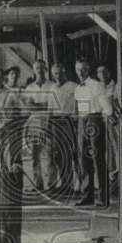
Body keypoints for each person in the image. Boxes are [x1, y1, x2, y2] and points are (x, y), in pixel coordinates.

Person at [73, 59, 113, 207]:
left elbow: (108, 108)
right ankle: (87, 196)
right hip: (82, 122)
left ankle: (103, 197)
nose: (80, 73)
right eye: (78, 69)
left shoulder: (96, 85)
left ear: (88, 69)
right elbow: (80, 108)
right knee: (84, 160)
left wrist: (102, 120)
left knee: (97, 160)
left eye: (83, 69)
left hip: (94, 120)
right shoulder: (78, 88)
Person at [97, 62, 122, 197]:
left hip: (116, 121)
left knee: (121, 151)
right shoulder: (98, 88)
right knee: (109, 154)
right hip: (103, 122)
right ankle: (114, 186)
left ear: (110, 73)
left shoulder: (117, 86)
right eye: (99, 72)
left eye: (104, 71)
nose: (102, 75)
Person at [48, 63, 78, 198]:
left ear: (64, 73)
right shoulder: (52, 88)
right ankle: (65, 184)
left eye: (60, 73)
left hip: (68, 121)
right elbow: (50, 108)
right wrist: (49, 126)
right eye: (55, 74)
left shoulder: (73, 86)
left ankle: (76, 185)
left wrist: (76, 118)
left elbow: (80, 104)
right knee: (58, 154)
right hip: (55, 122)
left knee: (72, 153)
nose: (58, 76)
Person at [23, 59, 53, 192]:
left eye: (42, 68)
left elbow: (51, 106)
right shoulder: (29, 88)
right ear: (33, 70)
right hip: (35, 123)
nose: (39, 71)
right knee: (35, 155)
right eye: (37, 68)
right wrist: (43, 105)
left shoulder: (52, 85)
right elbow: (28, 106)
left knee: (50, 155)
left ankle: (51, 185)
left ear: (45, 69)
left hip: (49, 122)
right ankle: (38, 184)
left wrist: (36, 105)